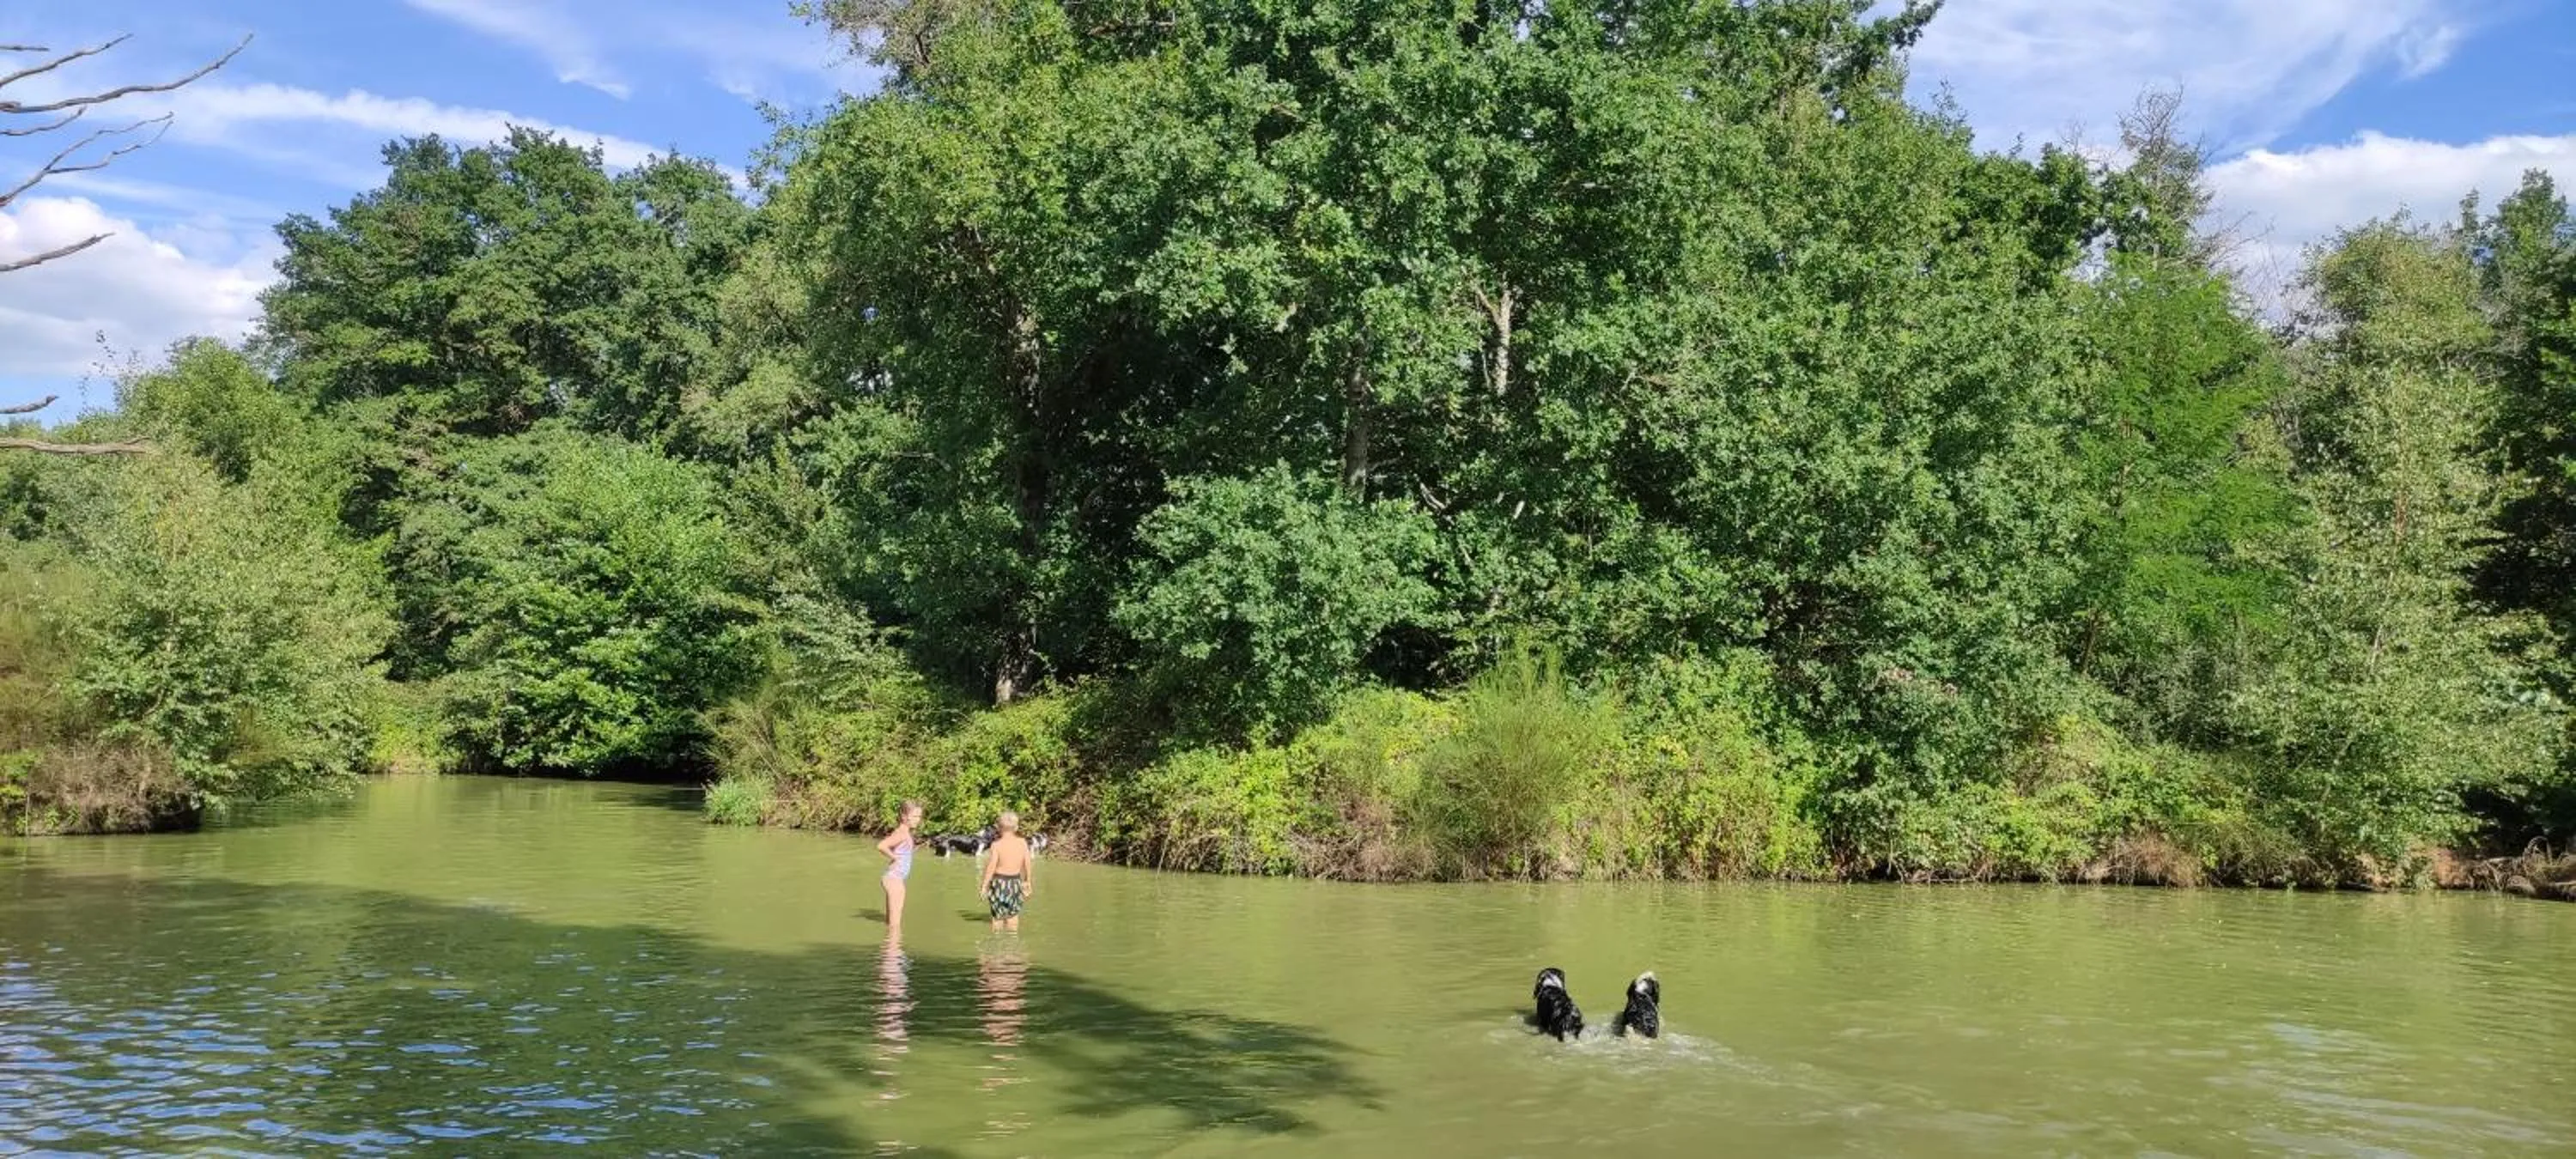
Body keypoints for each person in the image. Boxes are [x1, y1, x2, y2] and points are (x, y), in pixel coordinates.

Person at [979, 810, 1034, 931]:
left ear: (999, 828)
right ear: (1016, 827)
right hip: (1015, 882)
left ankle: (996, 944)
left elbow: (991, 867)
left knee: (997, 917)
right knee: (1013, 916)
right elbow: (1027, 863)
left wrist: (984, 885)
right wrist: (1027, 881)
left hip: (999, 883)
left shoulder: (996, 845)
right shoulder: (1022, 843)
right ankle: (1012, 943)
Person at [877, 800, 924, 931]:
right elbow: (881, 846)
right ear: (904, 816)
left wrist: (906, 853)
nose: (918, 820)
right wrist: (895, 857)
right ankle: (894, 950)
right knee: (895, 926)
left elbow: (898, 849)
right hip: (895, 880)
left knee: (891, 923)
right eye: (914, 816)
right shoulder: (902, 834)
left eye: (919, 817)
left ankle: (890, 949)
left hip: (894, 878)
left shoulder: (903, 833)